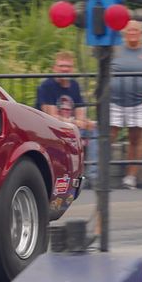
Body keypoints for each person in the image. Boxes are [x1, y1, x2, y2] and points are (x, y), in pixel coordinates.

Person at [110, 21, 142, 190]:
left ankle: (130, 177)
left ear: (141, 33)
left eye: (136, 30)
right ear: (124, 33)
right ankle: (100, 173)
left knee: (135, 139)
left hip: (141, 102)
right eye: (129, 30)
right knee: (108, 137)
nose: (132, 33)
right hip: (114, 101)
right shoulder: (115, 50)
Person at [37, 51, 97, 185]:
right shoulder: (46, 86)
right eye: (61, 66)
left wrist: (85, 122)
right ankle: (73, 177)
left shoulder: (75, 85)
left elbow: (81, 114)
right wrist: (75, 122)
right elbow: (51, 117)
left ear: (72, 69)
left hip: (72, 128)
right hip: (51, 129)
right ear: (54, 68)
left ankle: (92, 176)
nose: (65, 69)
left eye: (68, 66)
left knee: (94, 130)